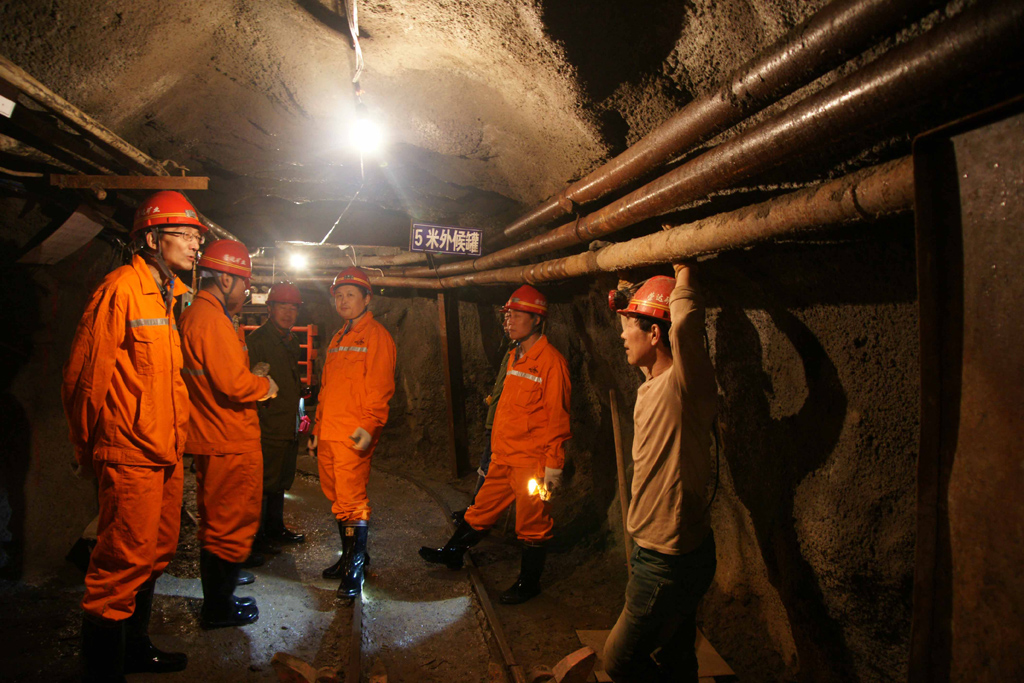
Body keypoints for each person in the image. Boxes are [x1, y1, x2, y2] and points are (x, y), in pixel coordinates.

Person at [62, 190, 202, 680]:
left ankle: (133, 649)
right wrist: (86, 448)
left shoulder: (167, 295)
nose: (194, 244)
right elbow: (85, 376)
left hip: (164, 452)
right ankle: (102, 672)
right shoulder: (121, 289)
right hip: (129, 452)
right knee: (120, 564)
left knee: (155, 554)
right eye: (184, 234)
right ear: (152, 238)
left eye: (197, 236)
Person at [602, 265, 719, 683]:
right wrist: (623, 293)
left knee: (619, 661)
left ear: (655, 334)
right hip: (666, 551)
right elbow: (644, 328)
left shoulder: (685, 385)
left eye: (630, 328)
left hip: (666, 561)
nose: (621, 336)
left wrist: (683, 272)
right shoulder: (653, 380)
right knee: (677, 656)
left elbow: (683, 325)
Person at [419, 284, 571, 605]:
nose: (508, 321)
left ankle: (528, 584)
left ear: (537, 319)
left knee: (532, 524)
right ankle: (453, 552)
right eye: (507, 315)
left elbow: (558, 420)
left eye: (516, 315)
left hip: (532, 464)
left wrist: (553, 468)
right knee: (480, 509)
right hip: (504, 458)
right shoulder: (515, 356)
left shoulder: (551, 363)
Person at [178, 239, 277, 629]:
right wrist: (264, 386)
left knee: (216, 519)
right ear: (224, 279)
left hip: (212, 433)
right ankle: (218, 607)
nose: (245, 292)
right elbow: (234, 383)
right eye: (244, 284)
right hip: (229, 437)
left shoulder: (197, 315)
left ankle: (220, 596)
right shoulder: (212, 320)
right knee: (231, 522)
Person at [308, 267, 396, 597]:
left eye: (351, 295)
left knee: (352, 502)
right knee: (337, 498)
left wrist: (370, 426)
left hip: (352, 434)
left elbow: (381, 388)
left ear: (367, 299)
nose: (344, 301)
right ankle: (350, 557)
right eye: (339, 296)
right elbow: (327, 388)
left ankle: (354, 569)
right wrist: (317, 428)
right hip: (330, 432)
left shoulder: (376, 336)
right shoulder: (338, 336)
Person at [246, 283, 307, 551]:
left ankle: (275, 527)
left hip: (286, 422)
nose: (288, 313)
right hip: (267, 422)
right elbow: (250, 383)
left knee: (281, 478)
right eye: (283, 306)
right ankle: (256, 536)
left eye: (293, 308)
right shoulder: (258, 341)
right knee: (263, 481)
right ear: (270, 308)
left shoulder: (291, 341)